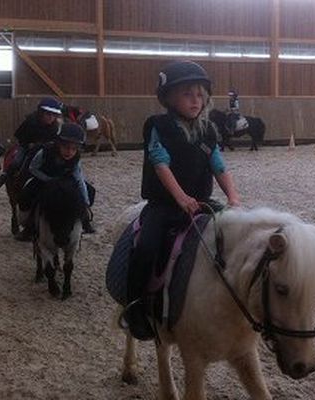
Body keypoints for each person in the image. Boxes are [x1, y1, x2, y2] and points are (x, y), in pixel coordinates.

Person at [124, 60, 242, 340]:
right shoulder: (159, 127)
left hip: (199, 202)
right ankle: (134, 307)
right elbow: (160, 163)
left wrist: (233, 197)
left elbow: (218, 165)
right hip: (164, 205)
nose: (196, 100)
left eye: (200, 95)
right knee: (146, 247)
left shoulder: (208, 130)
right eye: (188, 94)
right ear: (168, 97)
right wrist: (180, 197)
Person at [18, 123, 96, 235]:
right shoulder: (44, 152)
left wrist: (85, 202)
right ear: (58, 144)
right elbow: (33, 168)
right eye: (66, 147)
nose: (70, 152)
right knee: (28, 195)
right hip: (44, 180)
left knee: (90, 191)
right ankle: (30, 226)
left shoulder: (76, 158)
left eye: (74, 149)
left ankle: (83, 220)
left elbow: (78, 177)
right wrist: (48, 179)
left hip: (66, 180)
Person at [0, 97, 63, 189]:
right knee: (16, 162)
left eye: (54, 115)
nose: (51, 117)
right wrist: (29, 144)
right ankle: (5, 174)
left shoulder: (55, 126)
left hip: (47, 150)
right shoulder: (30, 122)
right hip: (27, 147)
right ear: (41, 113)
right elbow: (20, 137)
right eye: (48, 114)